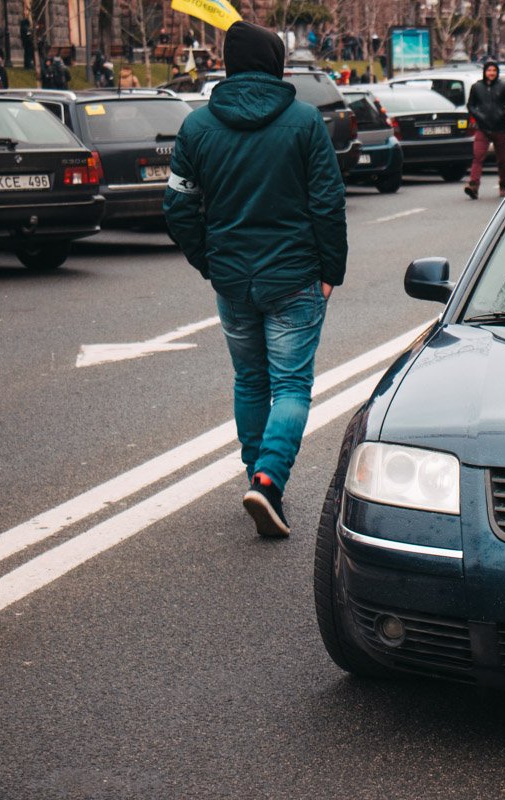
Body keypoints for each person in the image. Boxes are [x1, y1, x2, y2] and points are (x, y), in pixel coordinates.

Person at [164, 21, 347, 537]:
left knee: (250, 380)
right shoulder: (305, 122)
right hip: (295, 277)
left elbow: (178, 207)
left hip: (233, 280)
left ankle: (256, 477)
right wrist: (331, 269)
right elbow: (328, 204)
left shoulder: (197, 127)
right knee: (291, 384)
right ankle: (267, 482)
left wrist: (210, 261)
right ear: (275, 64)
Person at [465, 60, 505, 199]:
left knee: (501, 159)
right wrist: (478, 115)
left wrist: (504, 114)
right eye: (489, 70)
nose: (491, 73)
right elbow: (470, 105)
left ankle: (503, 184)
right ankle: (473, 185)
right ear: (484, 72)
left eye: (494, 70)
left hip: (500, 128)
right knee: (478, 156)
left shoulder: (504, 86)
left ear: (497, 72)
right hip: (483, 127)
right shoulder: (477, 87)